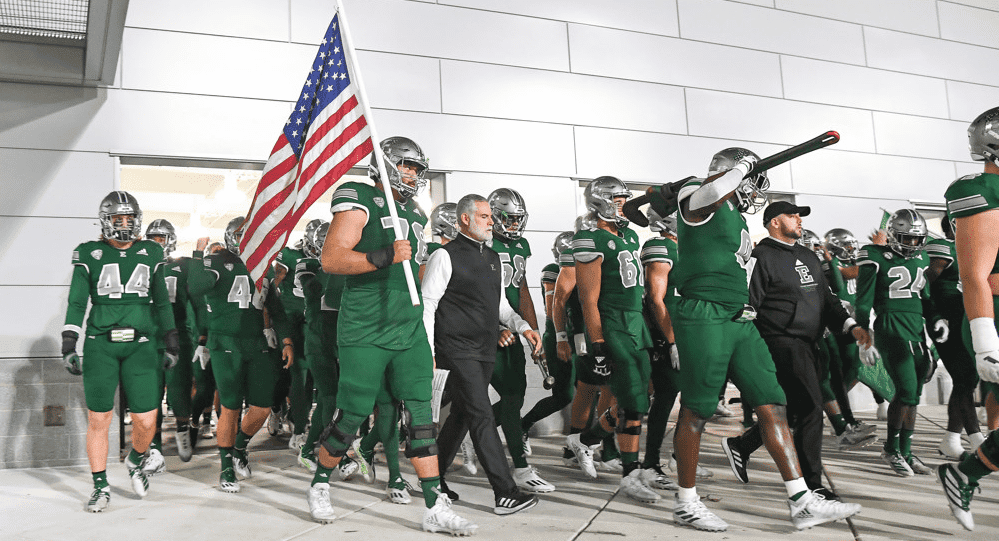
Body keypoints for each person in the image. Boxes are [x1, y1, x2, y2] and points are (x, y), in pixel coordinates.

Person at [668, 148, 860, 531]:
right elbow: (704, 195)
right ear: (731, 174)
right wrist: (741, 167)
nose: (754, 191)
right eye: (751, 180)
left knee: (774, 403)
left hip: (740, 318)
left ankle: (802, 499)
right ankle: (686, 501)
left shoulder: (736, 216)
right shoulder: (698, 194)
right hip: (704, 313)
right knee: (697, 410)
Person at [309, 136, 476, 535]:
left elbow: (413, 273)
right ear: (383, 164)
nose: (411, 174)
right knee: (352, 414)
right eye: (404, 165)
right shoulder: (358, 195)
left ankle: (435, 503)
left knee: (421, 415)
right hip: (366, 324)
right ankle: (319, 482)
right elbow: (331, 258)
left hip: (408, 324)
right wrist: (382, 256)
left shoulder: (415, 211)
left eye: (416, 168)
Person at [719, 202, 871, 500]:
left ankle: (742, 445)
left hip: (810, 344)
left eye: (799, 216)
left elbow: (828, 301)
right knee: (812, 410)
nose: (798, 220)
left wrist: (852, 326)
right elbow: (750, 305)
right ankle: (812, 485)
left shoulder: (808, 255)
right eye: (792, 215)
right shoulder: (760, 257)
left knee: (791, 411)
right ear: (774, 222)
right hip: (780, 343)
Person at [424, 193, 545, 512]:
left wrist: (522, 327)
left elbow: (502, 306)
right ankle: (504, 492)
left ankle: (432, 478)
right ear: (464, 219)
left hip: (484, 350)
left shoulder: (491, 258)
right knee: (480, 414)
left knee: (463, 414)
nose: (491, 221)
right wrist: (427, 350)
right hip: (456, 349)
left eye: (491, 217)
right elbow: (427, 305)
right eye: (484, 217)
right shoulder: (443, 256)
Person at [62, 191, 179, 512]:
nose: (124, 224)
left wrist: (171, 339)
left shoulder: (151, 251)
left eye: (129, 218)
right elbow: (76, 301)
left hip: (141, 344)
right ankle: (100, 486)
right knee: (99, 419)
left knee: (146, 420)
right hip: (101, 344)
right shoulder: (89, 252)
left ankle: (136, 460)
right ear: (106, 220)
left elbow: (161, 300)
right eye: (118, 218)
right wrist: (69, 342)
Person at [563, 176, 661, 504]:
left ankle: (587, 439)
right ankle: (630, 475)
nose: (623, 205)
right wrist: (598, 342)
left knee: (639, 400)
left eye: (624, 199)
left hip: (636, 323)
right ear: (600, 201)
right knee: (633, 403)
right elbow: (589, 299)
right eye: (617, 200)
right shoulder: (589, 239)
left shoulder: (630, 235)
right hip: (613, 323)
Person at [188, 217, 294, 493]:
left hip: (257, 344)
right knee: (230, 407)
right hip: (225, 345)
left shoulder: (265, 267)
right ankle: (225, 467)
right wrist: (198, 255)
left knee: (261, 407)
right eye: (241, 234)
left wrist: (286, 341)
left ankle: (239, 447)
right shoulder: (215, 261)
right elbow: (196, 287)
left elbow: (277, 308)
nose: (246, 239)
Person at [939, 106, 999, 531]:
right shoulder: (979, 188)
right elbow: (974, 274)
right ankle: (965, 472)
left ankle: (966, 473)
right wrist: (985, 341)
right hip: (994, 315)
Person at [854, 209, 941, 476]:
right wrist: (864, 338)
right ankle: (891, 449)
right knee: (905, 390)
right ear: (892, 235)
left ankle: (907, 451)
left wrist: (937, 318)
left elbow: (925, 298)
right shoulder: (875, 256)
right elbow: (864, 301)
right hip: (891, 327)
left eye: (917, 239)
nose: (913, 244)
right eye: (907, 238)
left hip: (916, 330)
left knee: (913, 396)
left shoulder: (923, 258)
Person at [484, 188, 553, 492]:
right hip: (486, 329)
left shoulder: (521, 245)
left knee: (515, 396)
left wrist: (533, 331)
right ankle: (521, 468)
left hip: (514, 327)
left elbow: (522, 289)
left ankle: (471, 437)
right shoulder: (483, 242)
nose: (513, 225)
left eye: (516, 219)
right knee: (509, 398)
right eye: (507, 219)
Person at [926, 217, 985, 458]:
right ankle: (976, 437)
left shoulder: (976, 249)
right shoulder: (944, 249)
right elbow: (922, 287)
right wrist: (935, 316)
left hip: (968, 320)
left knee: (969, 379)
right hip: (947, 322)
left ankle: (951, 439)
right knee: (964, 378)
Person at [520, 231, 576, 454]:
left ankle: (579, 448)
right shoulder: (553, 271)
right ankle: (524, 424)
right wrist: (562, 338)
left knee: (590, 392)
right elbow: (554, 308)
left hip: (580, 336)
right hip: (559, 337)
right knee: (564, 395)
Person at [637, 208, 681, 491]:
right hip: (666, 333)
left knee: (695, 396)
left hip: (691, 330)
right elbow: (656, 299)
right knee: (664, 397)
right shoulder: (659, 246)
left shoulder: (685, 246)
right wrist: (672, 340)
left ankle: (680, 455)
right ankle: (650, 464)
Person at [145, 219, 196, 462]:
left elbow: (198, 294)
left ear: (170, 240)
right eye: (153, 238)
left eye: (161, 238)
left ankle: (182, 430)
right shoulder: (141, 265)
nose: (157, 243)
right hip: (150, 338)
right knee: (151, 394)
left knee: (179, 392)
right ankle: (154, 445)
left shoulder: (182, 266)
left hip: (179, 336)